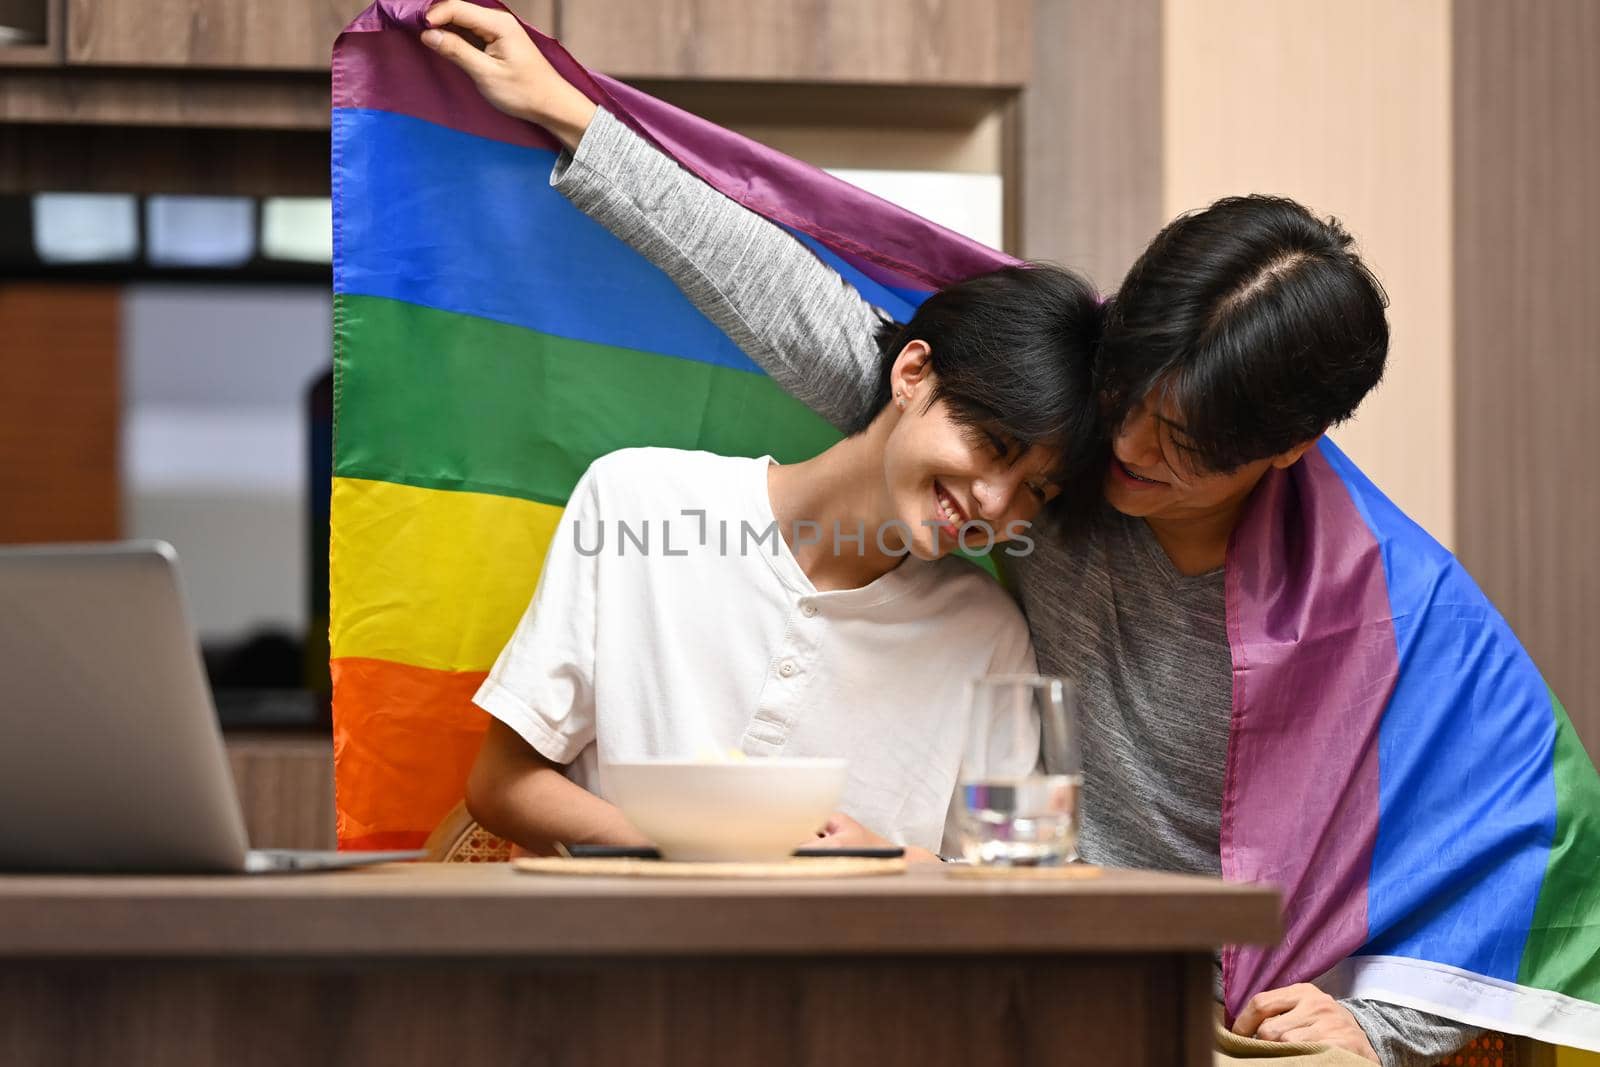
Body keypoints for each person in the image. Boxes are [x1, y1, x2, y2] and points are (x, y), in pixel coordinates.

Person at [420, 4, 1482, 1062]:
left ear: (1285, 449)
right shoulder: (1040, 467)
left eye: (1184, 443)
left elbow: (1504, 832)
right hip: (972, 974)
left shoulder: (1374, 601)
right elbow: (797, 302)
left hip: (1173, 1001)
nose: (1131, 450)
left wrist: (1379, 1026)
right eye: (1129, 401)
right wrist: (571, 112)